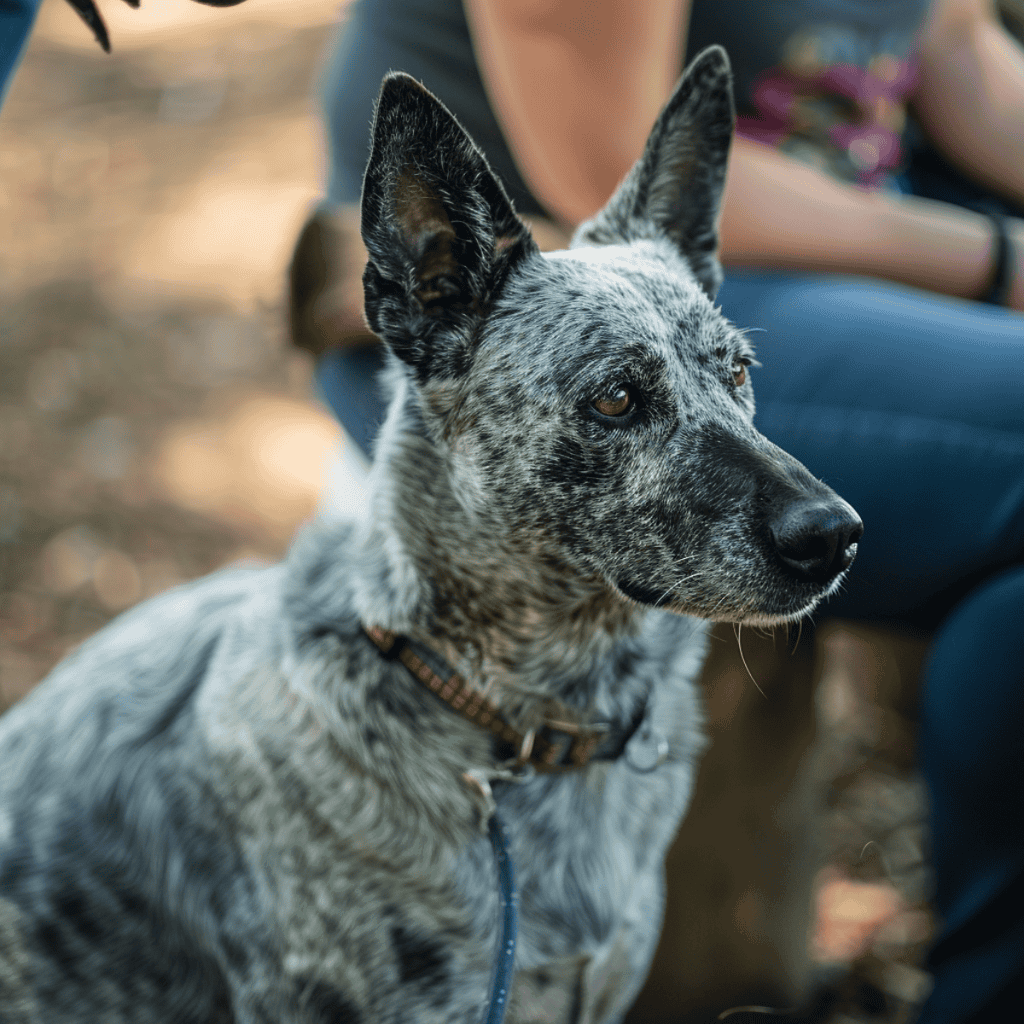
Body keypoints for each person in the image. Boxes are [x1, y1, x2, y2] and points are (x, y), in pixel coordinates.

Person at [302, 1, 1024, 1021]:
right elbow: (596, 160)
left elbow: (949, 43)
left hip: (749, 284)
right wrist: (1000, 261)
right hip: (520, 316)